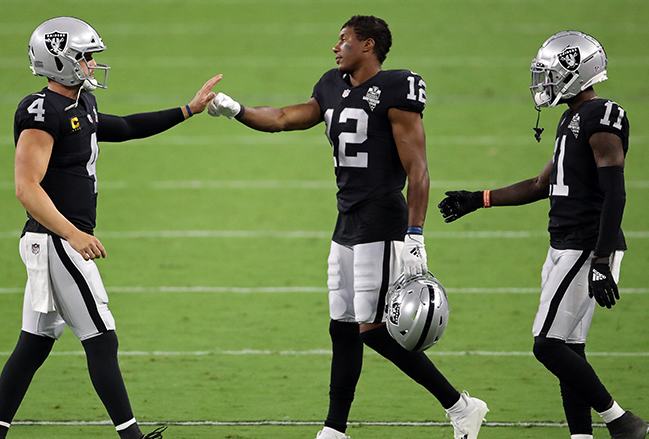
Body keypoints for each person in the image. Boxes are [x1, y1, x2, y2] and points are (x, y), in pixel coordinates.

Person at [207, 15, 488, 439]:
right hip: (348, 219)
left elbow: (418, 167)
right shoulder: (331, 85)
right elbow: (283, 117)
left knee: (372, 330)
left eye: (344, 40)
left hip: (382, 218)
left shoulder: (396, 87)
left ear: (368, 45)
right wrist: (238, 110)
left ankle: (461, 407)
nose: (336, 47)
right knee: (342, 326)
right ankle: (335, 429)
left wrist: (415, 233)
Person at [0, 17, 221, 439]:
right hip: (57, 239)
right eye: (85, 57)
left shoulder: (81, 104)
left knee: (34, 344)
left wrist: (187, 110)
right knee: (101, 337)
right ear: (59, 61)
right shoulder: (41, 110)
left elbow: (125, 127)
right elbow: (26, 187)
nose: (92, 64)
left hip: (51, 240)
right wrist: (72, 234)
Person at [438, 30, 649, 439]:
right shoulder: (571, 118)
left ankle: (620, 421)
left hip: (586, 245)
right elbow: (541, 184)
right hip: (566, 243)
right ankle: (581, 435)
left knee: (547, 345)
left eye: (552, 73)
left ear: (576, 71)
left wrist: (601, 259)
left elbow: (616, 193)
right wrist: (479, 199)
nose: (545, 82)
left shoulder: (601, 115)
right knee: (568, 348)